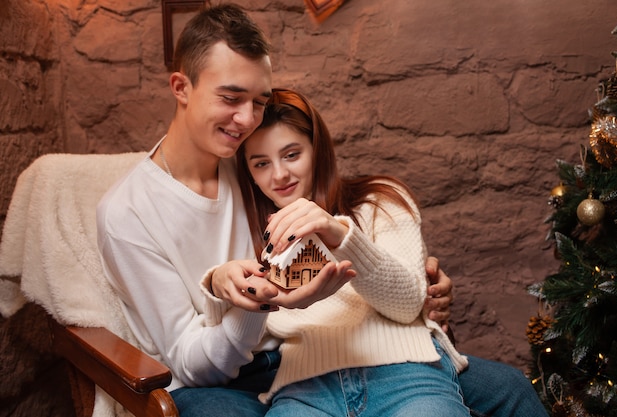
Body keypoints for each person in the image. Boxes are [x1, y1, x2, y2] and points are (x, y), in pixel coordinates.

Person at [96, 3, 545, 417]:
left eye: (258, 101)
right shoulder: (128, 214)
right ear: (181, 87)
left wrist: (419, 289)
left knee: (508, 388)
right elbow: (193, 363)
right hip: (240, 372)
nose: (248, 120)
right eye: (231, 98)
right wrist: (239, 293)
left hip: (331, 344)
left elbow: (354, 229)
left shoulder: (247, 161)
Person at [233, 88, 549, 417]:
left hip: (404, 366)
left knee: (508, 387)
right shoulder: (251, 233)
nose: (279, 175)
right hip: (306, 382)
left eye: (292, 155)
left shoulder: (379, 202)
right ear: (249, 173)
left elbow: (407, 304)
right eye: (261, 164)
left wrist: (342, 236)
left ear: (318, 150)